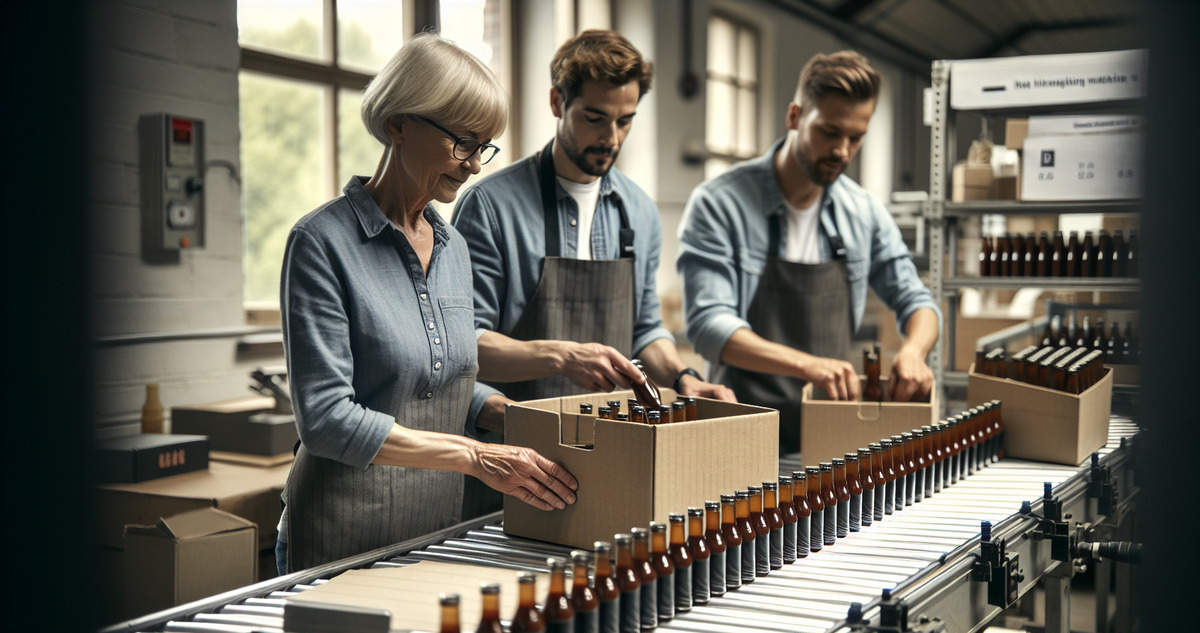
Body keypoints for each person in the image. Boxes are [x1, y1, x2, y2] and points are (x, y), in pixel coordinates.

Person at [276, 34, 577, 574]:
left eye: (484, 146)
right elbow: (325, 419)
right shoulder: (321, 242)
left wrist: (512, 416)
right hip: (342, 533)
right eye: (463, 142)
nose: (474, 165)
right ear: (399, 124)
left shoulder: (452, 246)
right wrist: (476, 456)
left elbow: (440, 382)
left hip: (436, 530)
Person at [453, 30, 734, 516]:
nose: (611, 138)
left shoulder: (639, 212)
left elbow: (645, 328)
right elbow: (463, 346)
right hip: (512, 465)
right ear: (557, 101)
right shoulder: (491, 207)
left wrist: (685, 375)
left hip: (612, 461)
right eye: (595, 118)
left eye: (625, 121)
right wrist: (563, 357)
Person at [677, 50, 940, 454]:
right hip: (741, 427)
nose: (843, 151)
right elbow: (710, 326)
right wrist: (809, 365)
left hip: (832, 430)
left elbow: (916, 299)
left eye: (856, 138)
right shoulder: (719, 203)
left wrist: (914, 351)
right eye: (830, 132)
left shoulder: (863, 212)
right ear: (795, 117)